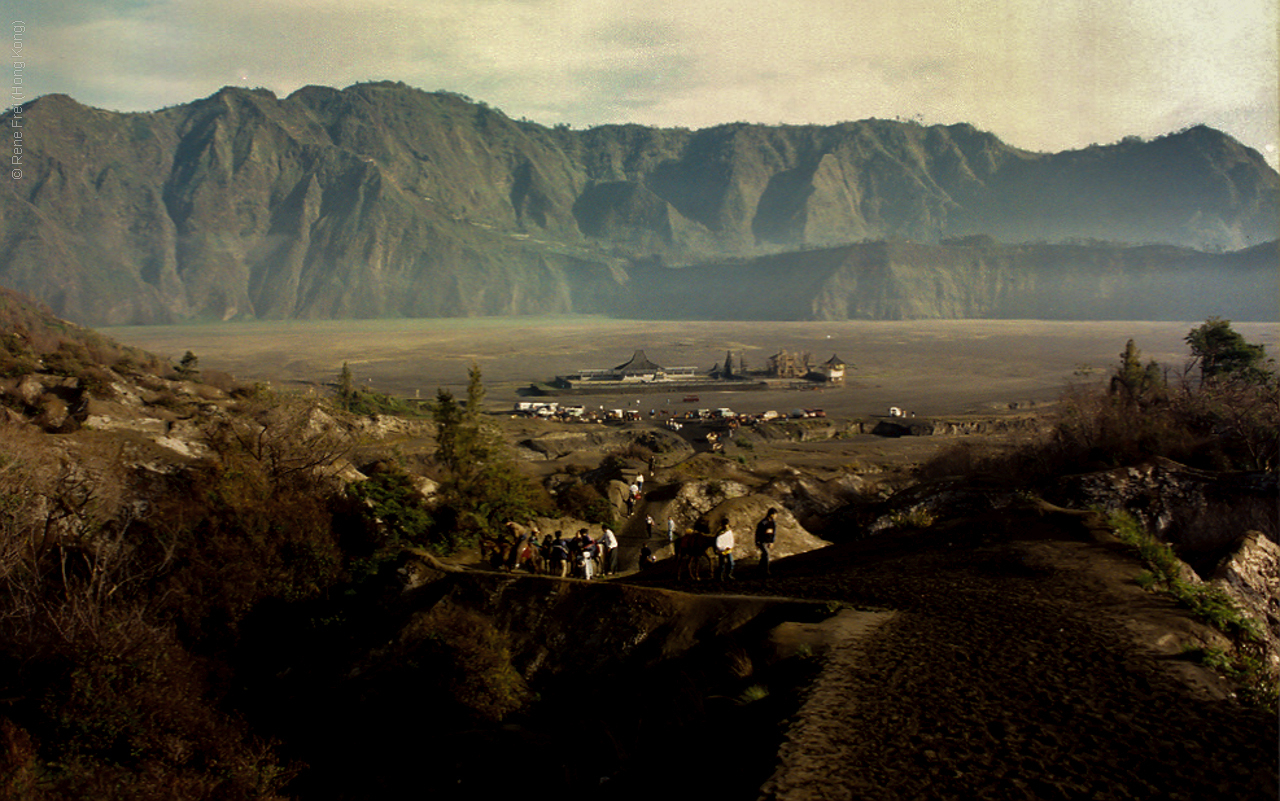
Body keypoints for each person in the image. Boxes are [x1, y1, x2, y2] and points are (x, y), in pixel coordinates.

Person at [754, 507, 779, 577]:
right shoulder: (763, 523)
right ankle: (766, 571)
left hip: (768, 541)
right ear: (772, 514)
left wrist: (772, 542)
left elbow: (773, 533)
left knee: (764, 556)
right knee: (766, 555)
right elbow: (758, 533)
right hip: (762, 541)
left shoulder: (772, 523)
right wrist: (757, 542)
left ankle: (759, 569)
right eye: (775, 515)